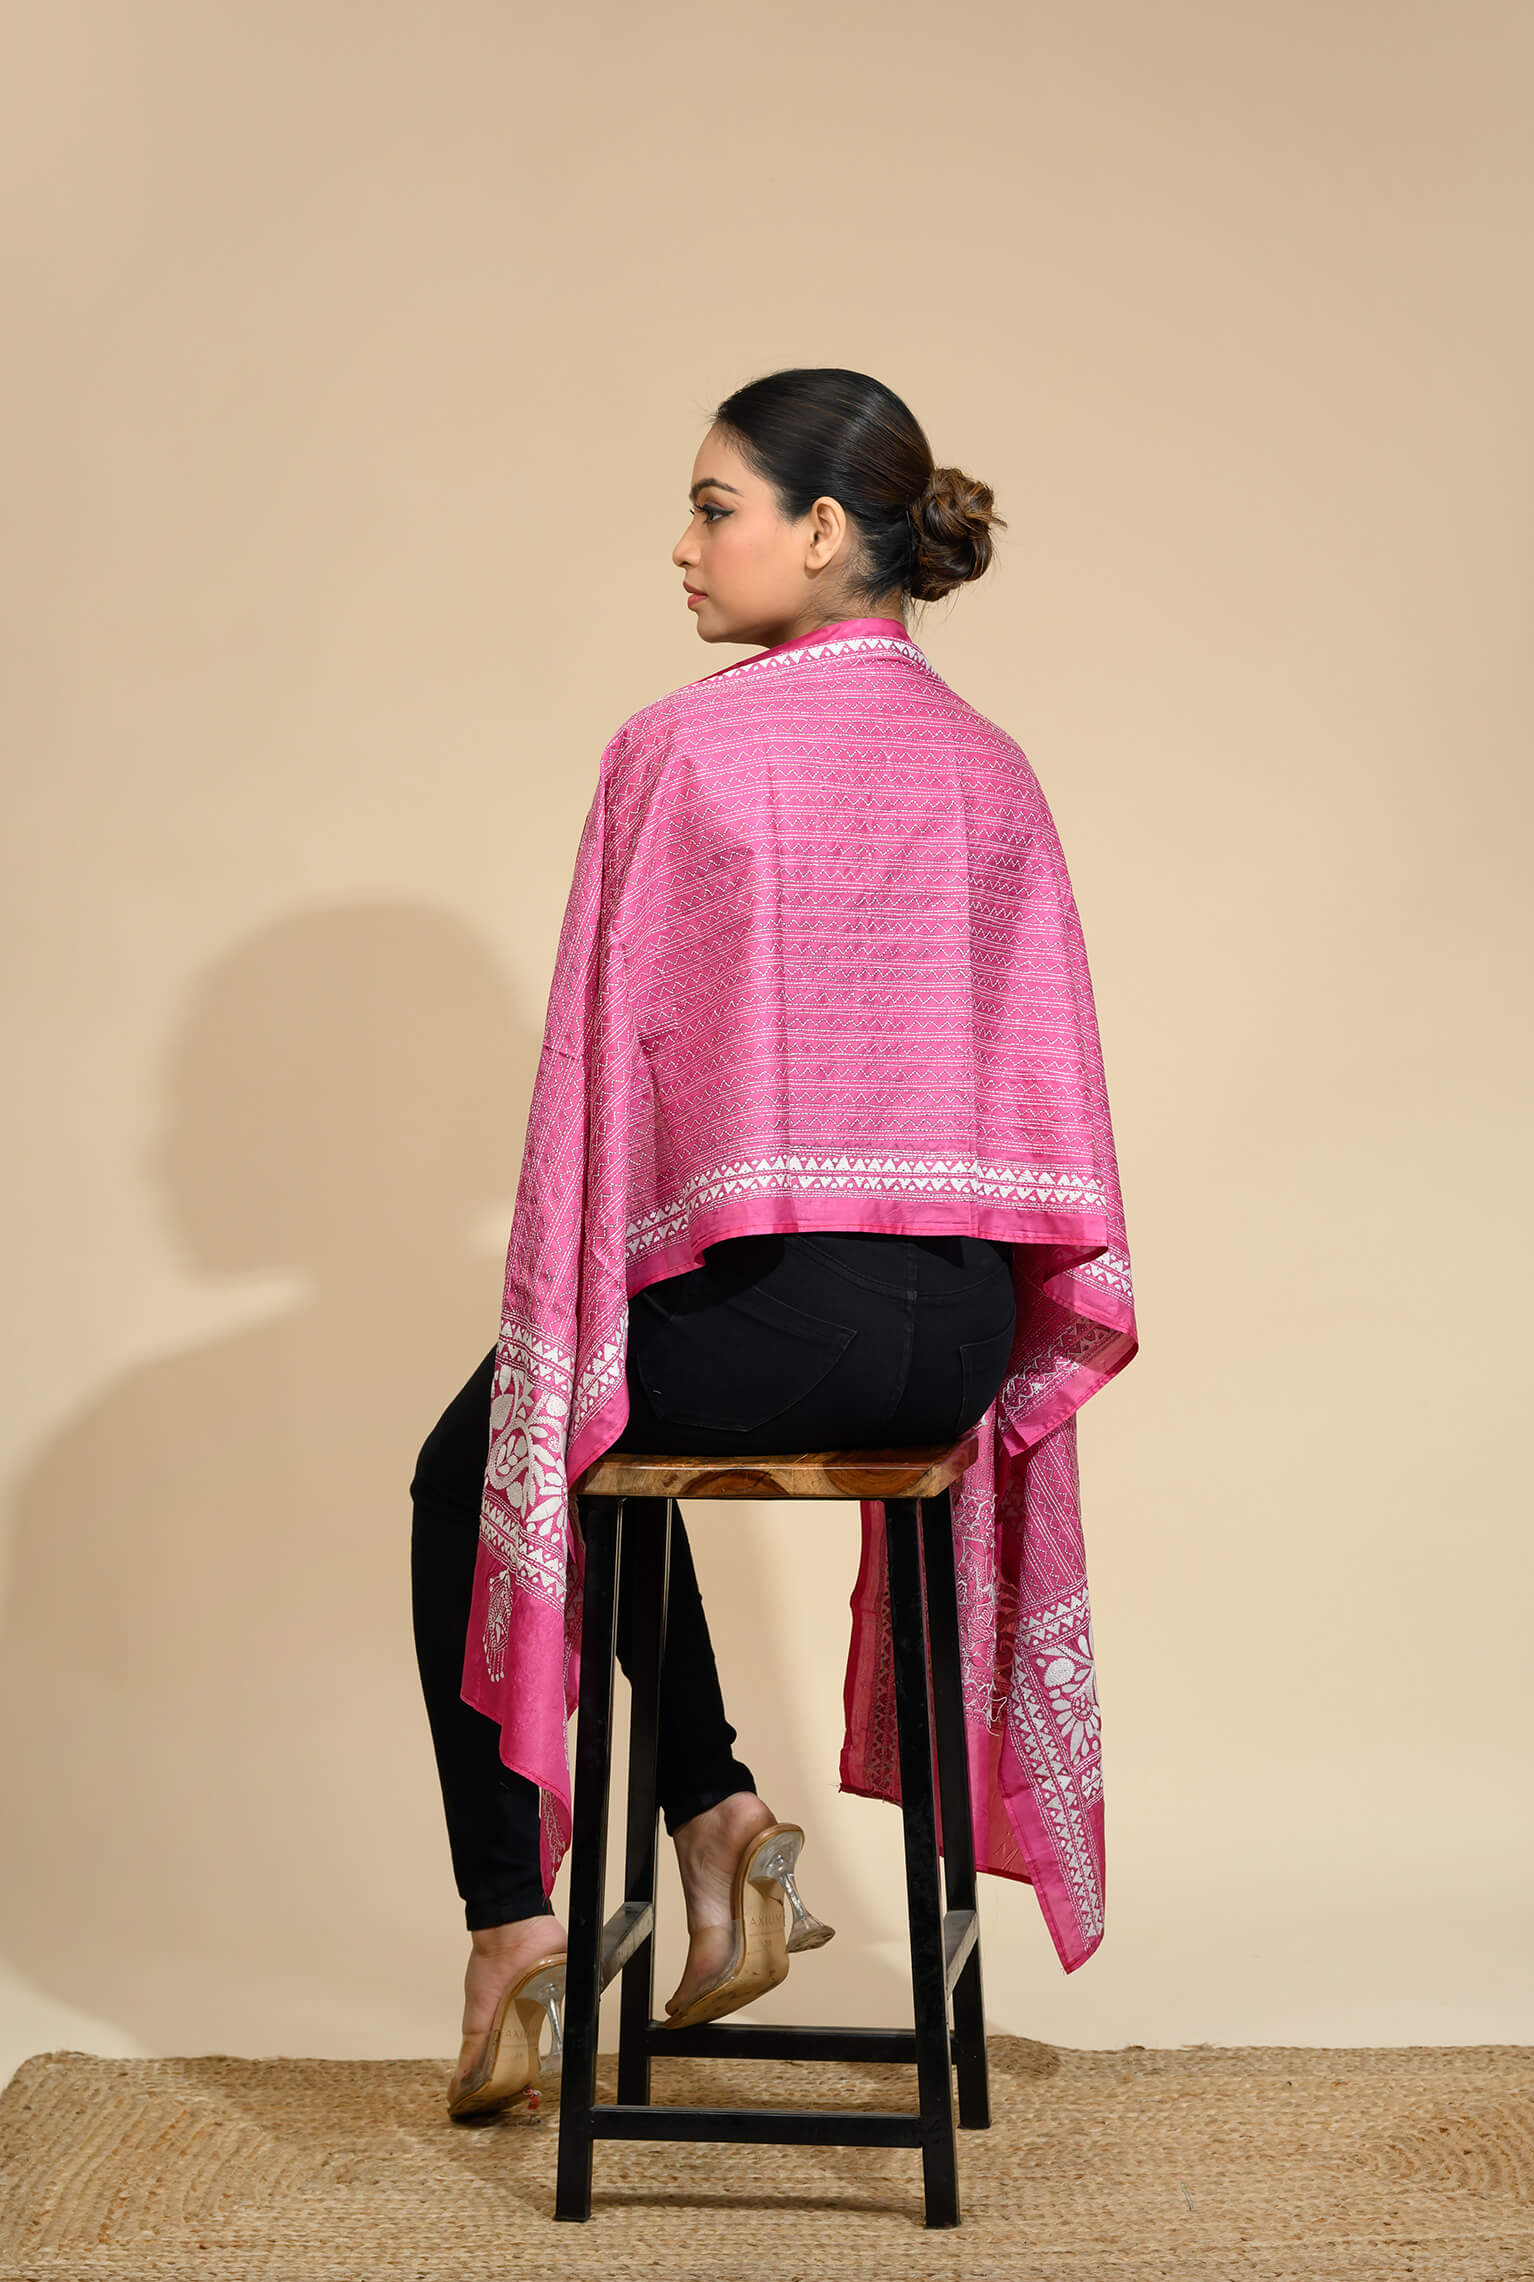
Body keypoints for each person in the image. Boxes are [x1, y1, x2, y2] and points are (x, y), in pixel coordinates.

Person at [411, 368, 1136, 2121]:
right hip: (962, 1329)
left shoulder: (679, 749)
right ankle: (721, 1819)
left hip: (794, 1314)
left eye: (713, 506)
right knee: (604, 1424)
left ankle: (515, 1919)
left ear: (820, 529)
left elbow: (609, 1073)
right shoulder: (991, 766)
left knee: (495, 1450)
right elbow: (1041, 1080)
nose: (683, 544)